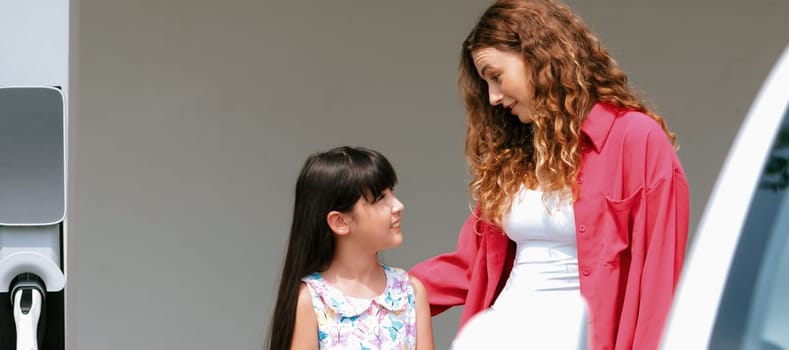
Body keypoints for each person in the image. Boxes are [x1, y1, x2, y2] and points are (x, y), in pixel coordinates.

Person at [408, 0, 690, 349]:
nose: (493, 97)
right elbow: (470, 267)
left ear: (538, 56)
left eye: (496, 77)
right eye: (486, 85)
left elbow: (659, 282)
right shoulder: (514, 156)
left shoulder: (635, 139)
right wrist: (371, 293)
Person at [267, 146, 434, 350]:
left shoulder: (411, 291)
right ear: (340, 221)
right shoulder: (312, 300)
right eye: (380, 198)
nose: (398, 205)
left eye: (392, 192)